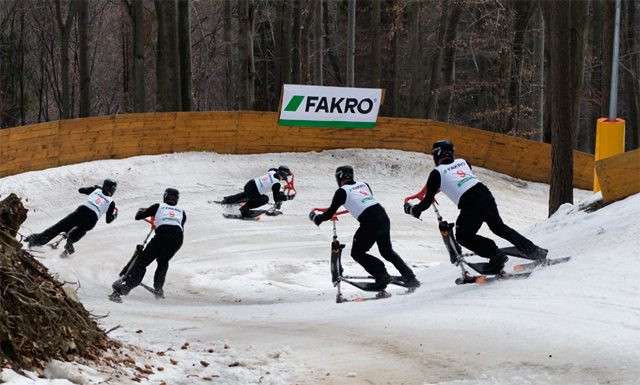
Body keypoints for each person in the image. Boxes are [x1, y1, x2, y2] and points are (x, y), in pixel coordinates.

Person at [403, 140, 548, 274]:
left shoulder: (436, 173)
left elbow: (427, 202)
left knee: (463, 236)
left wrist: (412, 210)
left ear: (436, 155)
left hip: (471, 202)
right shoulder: (463, 162)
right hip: (485, 194)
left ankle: (495, 255)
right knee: (500, 228)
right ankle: (534, 251)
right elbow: (460, 179)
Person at [309, 166, 420, 290]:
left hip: (370, 221)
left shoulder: (342, 191)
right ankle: (410, 277)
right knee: (387, 252)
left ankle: (381, 275)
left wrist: (315, 218)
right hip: (383, 216)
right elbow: (363, 200)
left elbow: (329, 214)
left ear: (339, 177)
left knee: (357, 253)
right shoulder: (364, 184)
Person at [112, 188, 185, 299]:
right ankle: (158, 289)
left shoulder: (158, 206)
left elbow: (138, 216)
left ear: (165, 196)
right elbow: (178, 225)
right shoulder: (182, 212)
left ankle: (124, 288)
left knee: (142, 263)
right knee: (163, 261)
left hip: (162, 235)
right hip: (177, 238)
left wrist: (141, 210)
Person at [24, 179, 118, 256]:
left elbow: (81, 190)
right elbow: (108, 220)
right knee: (81, 230)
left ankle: (37, 240)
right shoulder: (111, 202)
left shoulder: (96, 190)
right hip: (92, 219)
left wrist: (94, 189)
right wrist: (115, 215)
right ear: (112, 190)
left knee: (59, 227)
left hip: (82, 211)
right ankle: (70, 242)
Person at [220, 165, 295, 217]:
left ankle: (227, 200)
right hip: (253, 191)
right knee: (264, 199)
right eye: (286, 176)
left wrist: (279, 170)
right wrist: (287, 197)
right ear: (283, 175)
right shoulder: (276, 184)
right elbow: (276, 198)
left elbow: (272, 169)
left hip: (249, 184)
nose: (286, 178)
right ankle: (244, 210)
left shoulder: (272, 172)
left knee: (246, 194)